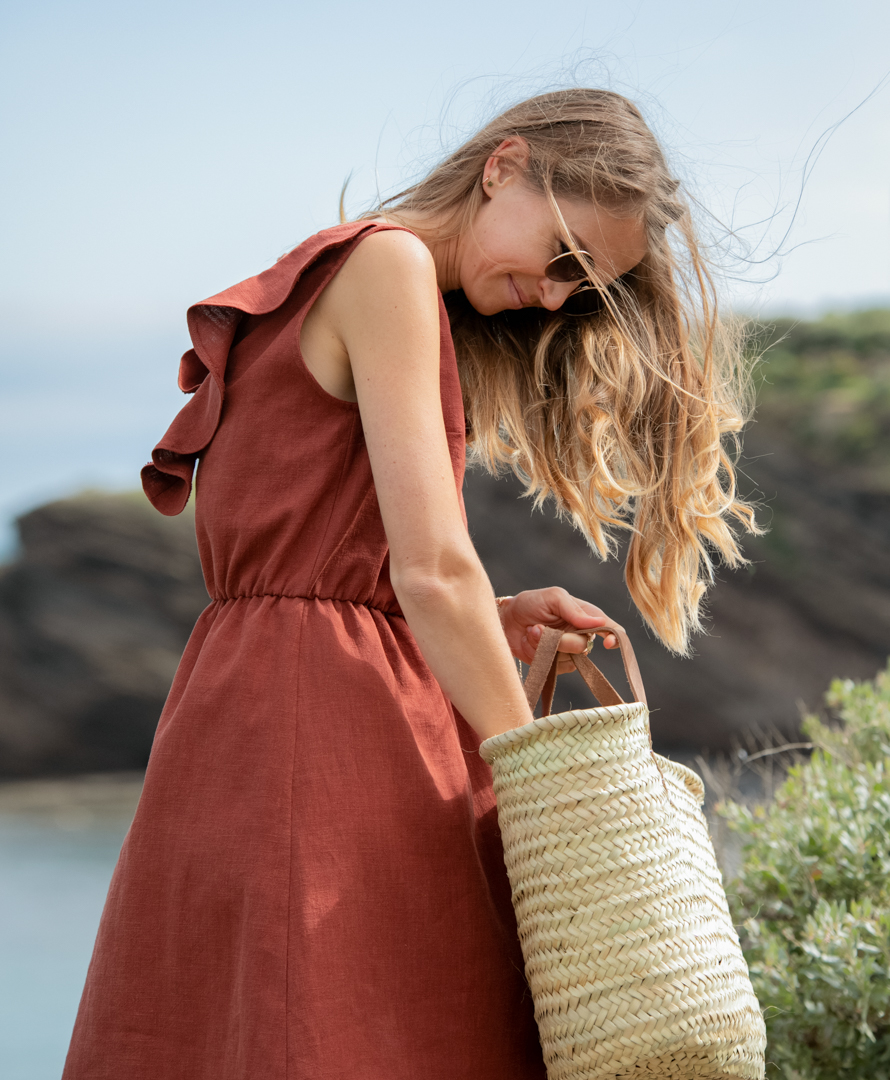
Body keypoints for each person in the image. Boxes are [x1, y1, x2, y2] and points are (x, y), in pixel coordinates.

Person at [63, 88, 756, 1080]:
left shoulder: (332, 273)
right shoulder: (385, 264)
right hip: (340, 738)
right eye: (563, 258)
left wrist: (494, 617)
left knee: (243, 1027)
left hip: (240, 720)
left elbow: (328, 563)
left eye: (583, 287)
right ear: (503, 165)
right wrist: (540, 782)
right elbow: (431, 569)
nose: (557, 298)